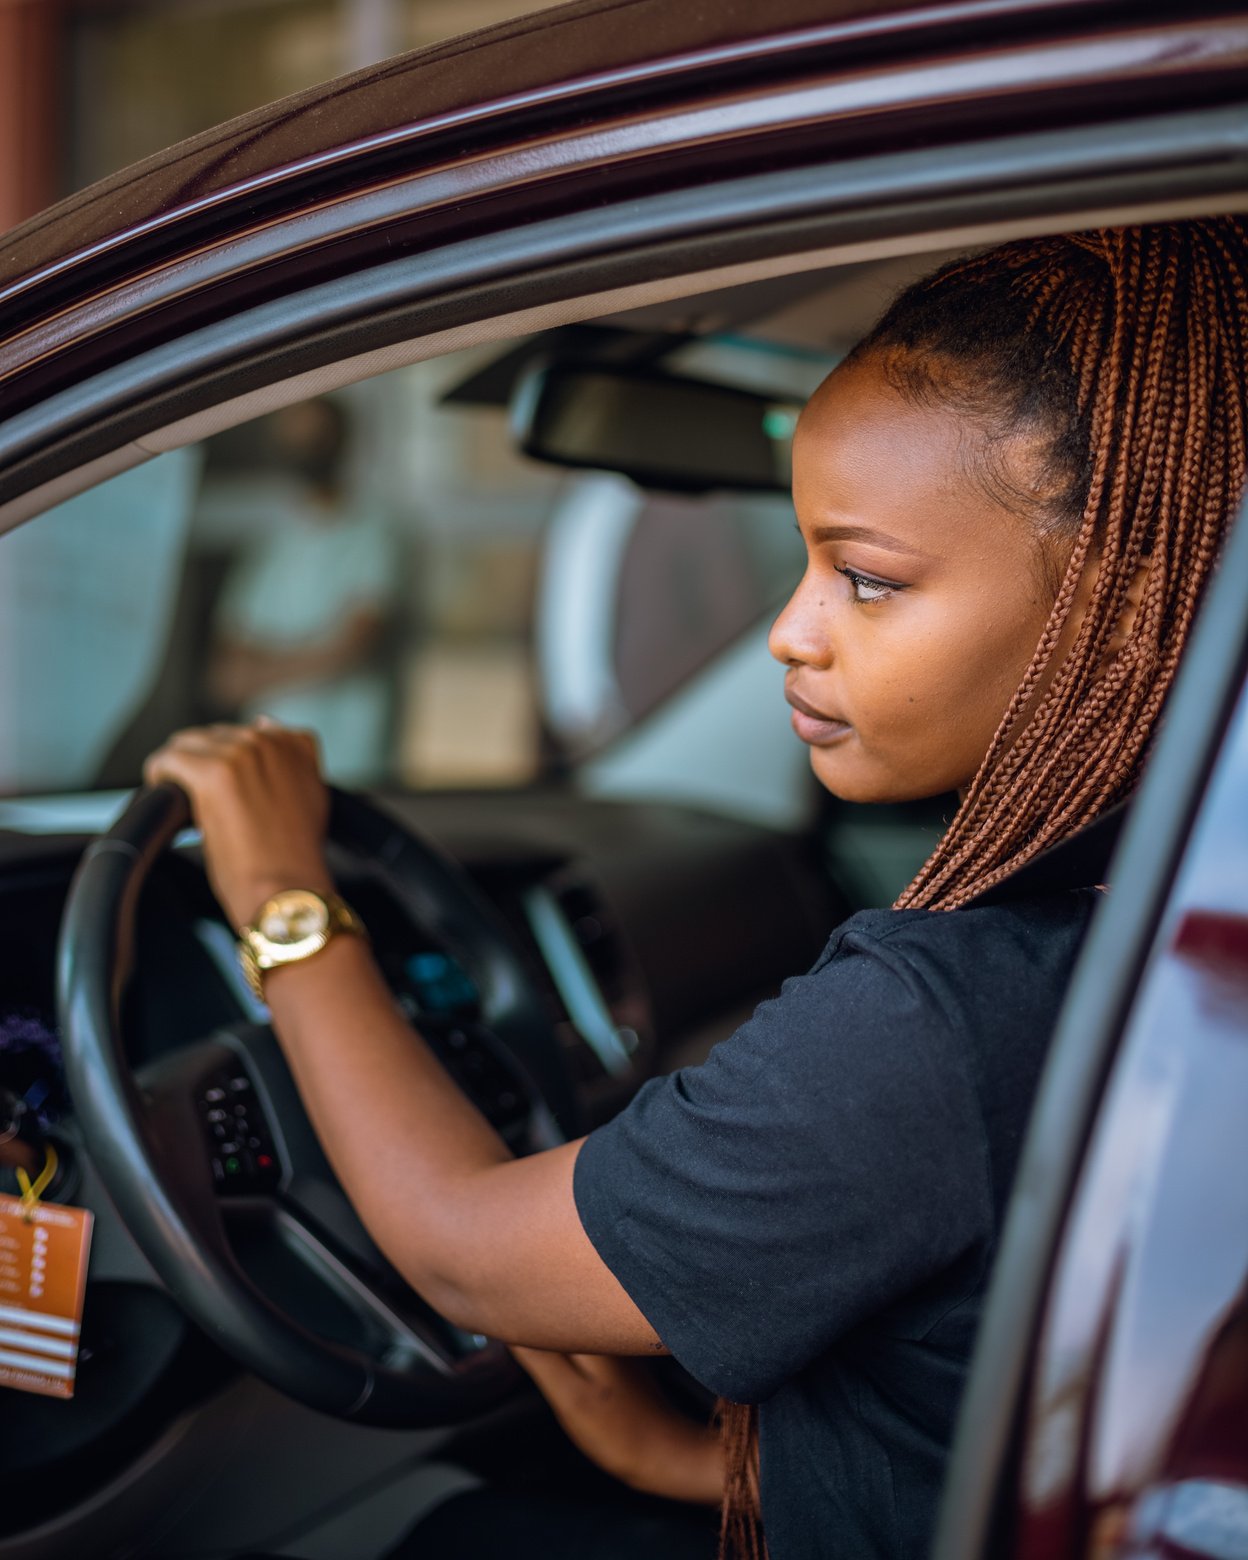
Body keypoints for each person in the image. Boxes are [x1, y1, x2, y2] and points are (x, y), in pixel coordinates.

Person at [145, 219, 1248, 1559]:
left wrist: (279, 896)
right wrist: (689, 1460)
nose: (789, 629)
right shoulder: (1159, 931)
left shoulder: (934, 1024)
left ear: (1125, 611)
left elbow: (451, 1249)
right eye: (803, 562)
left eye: (866, 578)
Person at [207, 396, 398, 786]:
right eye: (295, 439)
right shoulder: (272, 544)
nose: (305, 450)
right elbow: (226, 678)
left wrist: (265, 664)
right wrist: (319, 652)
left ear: (342, 441)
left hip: (351, 766)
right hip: (271, 771)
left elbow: (353, 648)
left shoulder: (378, 533)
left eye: (316, 439)